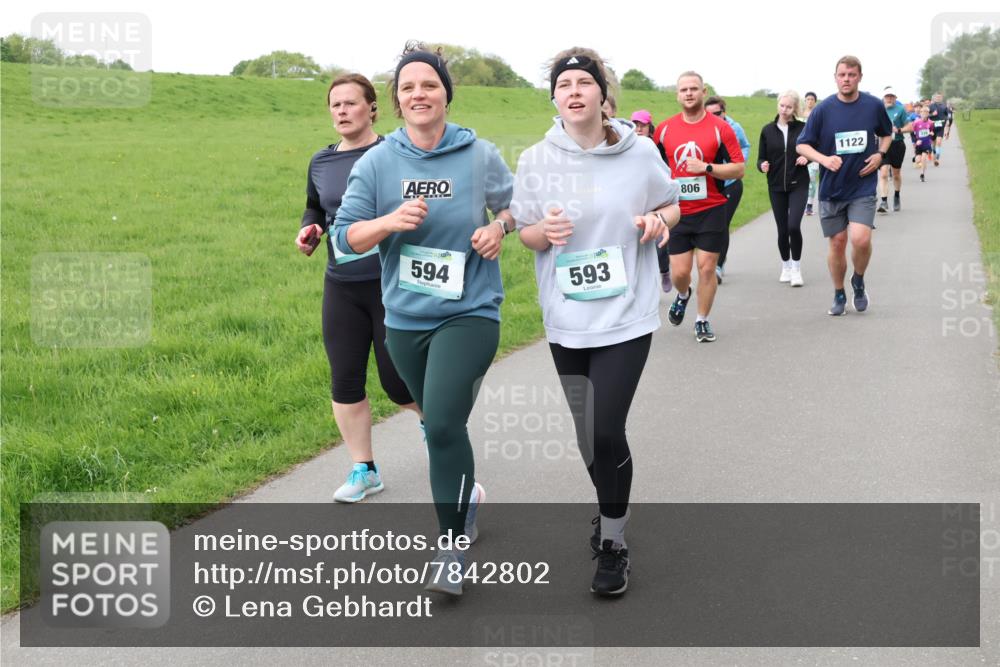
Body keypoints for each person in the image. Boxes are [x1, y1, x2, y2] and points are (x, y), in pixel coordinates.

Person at [332, 42, 515, 596]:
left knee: (439, 425)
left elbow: (515, 206)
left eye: (429, 85)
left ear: (446, 95)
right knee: (440, 425)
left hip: (470, 311)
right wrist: (387, 222)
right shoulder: (378, 161)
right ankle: (469, 496)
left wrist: (499, 228)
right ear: (396, 101)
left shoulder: (478, 154)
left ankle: (450, 548)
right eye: (408, 87)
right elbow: (345, 240)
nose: (419, 94)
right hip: (405, 318)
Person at [512, 46, 680, 597]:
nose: (575, 91)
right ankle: (609, 510)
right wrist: (546, 234)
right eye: (565, 85)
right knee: (587, 437)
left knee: (607, 428)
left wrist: (657, 220)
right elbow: (527, 231)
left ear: (604, 96)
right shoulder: (537, 158)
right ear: (555, 98)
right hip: (566, 316)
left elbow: (672, 204)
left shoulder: (640, 152)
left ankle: (614, 540)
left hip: (627, 313)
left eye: (585, 82)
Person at [295, 73, 420, 503]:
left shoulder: (394, 153)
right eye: (336, 105)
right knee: (344, 381)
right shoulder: (321, 161)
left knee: (397, 382)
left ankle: (441, 431)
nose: (343, 111)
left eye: (351, 103)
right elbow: (316, 207)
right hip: (341, 284)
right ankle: (364, 470)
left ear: (372, 109)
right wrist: (309, 229)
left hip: (389, 283)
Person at [796, 55, 892, 316]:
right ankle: (839, 292)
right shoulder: (823, 109)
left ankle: (858, 280)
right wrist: (824, 159)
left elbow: (886, 133)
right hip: (831, 189)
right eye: (842, 75)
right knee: (837, 243)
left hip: (861, 186)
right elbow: (802, 144)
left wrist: (880, 154)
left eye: (851, 74)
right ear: (835, 77)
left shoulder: (873, 105)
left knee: (861, 239)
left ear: (860, 76)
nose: (846, 79)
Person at [653, 71, 745, 342]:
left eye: (694, 88)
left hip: (711, 209)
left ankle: (702, 319)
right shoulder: (665, 130)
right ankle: (683, 294)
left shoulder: (721, 127)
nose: (689, 93)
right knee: (680, 272)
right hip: (678, 211)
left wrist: (707, 168)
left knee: (706, 268)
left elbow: (739, 168)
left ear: (703, 92)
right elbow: (654, 167)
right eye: (684, 90)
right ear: (677, 95)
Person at [757, 90, 810, 286]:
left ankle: (796, 268)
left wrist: (809, 157)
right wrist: (762, 165)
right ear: (778, 105)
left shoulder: (803, 129)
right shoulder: (767, 130)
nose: (785, 110)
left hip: (799, 183)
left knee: (793, 226)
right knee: (782, 229)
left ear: (795, 108)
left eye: (789, 107)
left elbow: (814, 148)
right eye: (782, 106)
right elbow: (761, 158)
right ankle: (785, 266)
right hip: (776, 185)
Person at [704, 95, 751, 283]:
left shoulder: (734, 127)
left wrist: (737, 163)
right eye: (710, 114)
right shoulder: (703, 128)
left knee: (722, 224)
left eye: (718, 113)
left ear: (724, 112)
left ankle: (718, 265)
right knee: (712, 226)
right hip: (711, 184)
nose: (714, 117)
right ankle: (711, 261)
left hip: (731, 183)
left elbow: (745, 146)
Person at [877, 86, 912, 214]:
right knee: (884, 173)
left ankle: (897, 196)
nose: (889, 98)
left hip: (897, 144)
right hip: (882, 145)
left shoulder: (900, 109)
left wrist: (899, 130)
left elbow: (910, 126)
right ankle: (884, 201)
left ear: (895, 98)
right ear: (883, 98)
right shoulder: (878, 109)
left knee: (896, 174)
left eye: (892, 96)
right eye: (887, 96)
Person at [803, 92, 820, 216]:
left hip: (815, 151)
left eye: (812, 99)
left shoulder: (818, 115)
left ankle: (809, 205)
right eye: (807, 99)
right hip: (802, 151)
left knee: (812, 178)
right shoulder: (798, 115)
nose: (809, 101)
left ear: (815, 101)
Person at [912, 105, 935, 182]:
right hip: (919, 144)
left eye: (926, 112)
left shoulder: (931, 123)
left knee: (924, 158)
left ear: (928, 113)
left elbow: (932, 131)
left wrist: (931, 134)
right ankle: (917, 161)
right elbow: (913, 134)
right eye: (923, 112)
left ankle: (922, 174)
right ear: (920, 113)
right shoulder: (916, 122)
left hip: (927, 144)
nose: (924, 113)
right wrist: (916, 141)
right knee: (918, 160)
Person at [928, 92, 948, 166]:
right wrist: (932, 114)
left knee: (939, 142)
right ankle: (934, 154)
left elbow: (947, 115)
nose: (938, 98)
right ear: (934, 98)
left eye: (940, 97)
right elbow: (926, 115)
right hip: (932, 127)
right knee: (933, 144)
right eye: (937, 97)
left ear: (941, 98)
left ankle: (937, 158)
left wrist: (947, 121)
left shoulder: (944, 106)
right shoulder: (930, 106)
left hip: (940, 127)